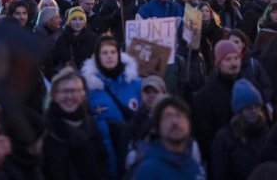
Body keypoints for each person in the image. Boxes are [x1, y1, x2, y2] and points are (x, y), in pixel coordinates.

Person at [82, 35, 142, 178]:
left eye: (113, 52)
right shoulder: (89, 88)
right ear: (97, 56)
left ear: (119, 54)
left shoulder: (135, 83)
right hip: (103, 156)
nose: (109, 56)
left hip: (132, 154)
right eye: (104, 53)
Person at [42, 67, 108, 180]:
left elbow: (101, 163)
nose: (69, 96)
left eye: (75, 90)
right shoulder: (45, 130)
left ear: (83, 94)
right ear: (54, 95)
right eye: (64, 91)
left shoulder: (91, 124)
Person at [132, 96, 204, 180]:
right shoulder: (148, 170)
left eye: (180, 115)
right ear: (158, 127)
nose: (175, 121)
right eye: (168, 117)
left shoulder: (195, 168)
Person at [210, 79, 269, 180]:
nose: (254, 111)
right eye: (249, 108)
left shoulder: (265, 132)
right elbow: (218, 172)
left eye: (257, 106)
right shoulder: (224, 138)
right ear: (239, 110)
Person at [52, 6, 98, 72]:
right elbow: (54, 59)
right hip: (69, 77)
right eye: (74, 19)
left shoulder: (93, 38)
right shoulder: (62, 38)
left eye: (81, 19)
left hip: (89, 76)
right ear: (69, 22)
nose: (78, 22)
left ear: (85, 21)